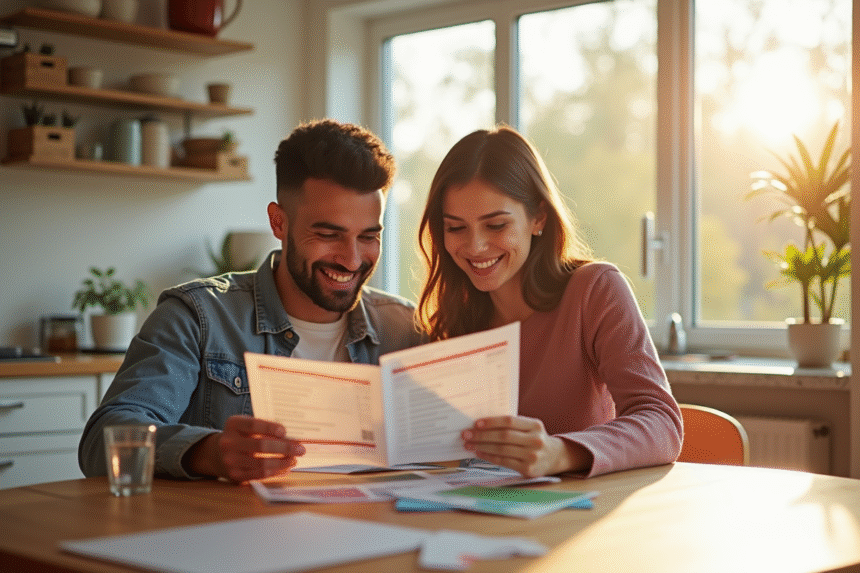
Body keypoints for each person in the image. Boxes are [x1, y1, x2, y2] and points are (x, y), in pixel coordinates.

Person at [79, 119, 423, 482]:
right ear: (278, 222)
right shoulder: (197, 318)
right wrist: (205, 453)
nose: (352, 260)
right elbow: (104, 441)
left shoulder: (405, 331)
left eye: (368, 236)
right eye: (327, 234)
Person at [417, 125, 683, 478]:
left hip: (579, 517)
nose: (475, 247)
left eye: (495, 225)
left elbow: (663, 422)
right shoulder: (453, 318)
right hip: (481, 511)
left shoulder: (595, 290)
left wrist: (561, 453)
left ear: (538, 217)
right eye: (456, 228)